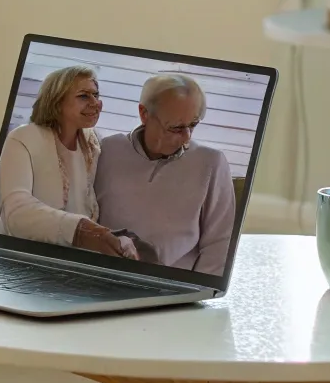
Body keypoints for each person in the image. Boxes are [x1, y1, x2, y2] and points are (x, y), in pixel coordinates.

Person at [0, 64, 134, 257]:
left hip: (75, 262)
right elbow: (17, 214)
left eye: (96, 95)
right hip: (28, 259)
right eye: (83, 96)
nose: (95, 103)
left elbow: (88, 209)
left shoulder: (91, 142)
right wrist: (83, 231)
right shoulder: (23, 138)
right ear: (56, 101)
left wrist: (118, 239)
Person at [94, 73, 237, 275]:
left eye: (193, 124)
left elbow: (220, 244)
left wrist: (193, 294)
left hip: (174, 289)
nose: (187, 138)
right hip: (104, 279)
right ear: (144, 114)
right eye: (176, 127)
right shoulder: (106, 150)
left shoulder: (211, 162)